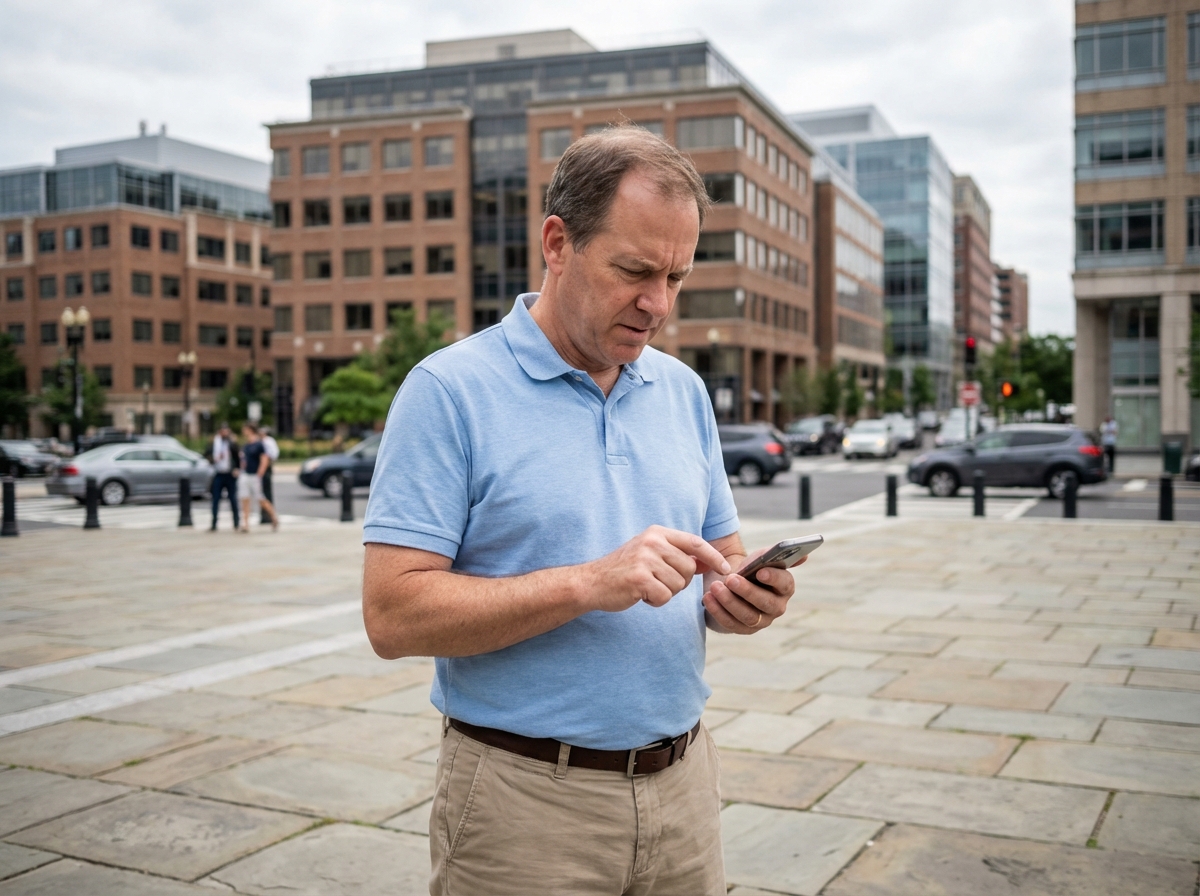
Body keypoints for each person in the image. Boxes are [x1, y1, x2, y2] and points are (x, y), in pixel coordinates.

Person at [362, 126, 804, 896]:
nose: (657, 303)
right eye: (634, 270)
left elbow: (720, 563)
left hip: (686, 788)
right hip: (523, 806)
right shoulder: (448, 391)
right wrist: (588, 584)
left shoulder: (683, 391)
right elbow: (393, 616)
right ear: (558, 243)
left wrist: (743, 596)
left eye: (676, 277)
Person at [238, 423, 278, 532]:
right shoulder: (246, 445)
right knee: (245, 499)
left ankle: (274, 517)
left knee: (260, 499)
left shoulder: (259, 444)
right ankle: (245, 524)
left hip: (255, 475)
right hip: (246, 474)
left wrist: (260, 473)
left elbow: (264, 459)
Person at [206, 422, 239, 532]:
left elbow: (237, 456)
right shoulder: (214, 442)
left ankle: (236, 522)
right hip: (218, 472)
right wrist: (213, 458)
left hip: (229, 473)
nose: (225, 432)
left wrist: (236, 468)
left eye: (226, 430)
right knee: (215, 499)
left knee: (232, 498)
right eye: (223, 430)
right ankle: (214, 523)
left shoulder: (231, 442)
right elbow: (206, 455)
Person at [259, 426, 280, 525]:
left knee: (266, 493)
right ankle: (264, 516)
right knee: (262, 493)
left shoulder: (268, 441)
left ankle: (269, 516)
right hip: (262, 468)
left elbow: (273, 454)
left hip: (266, 468)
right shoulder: (262, 441)